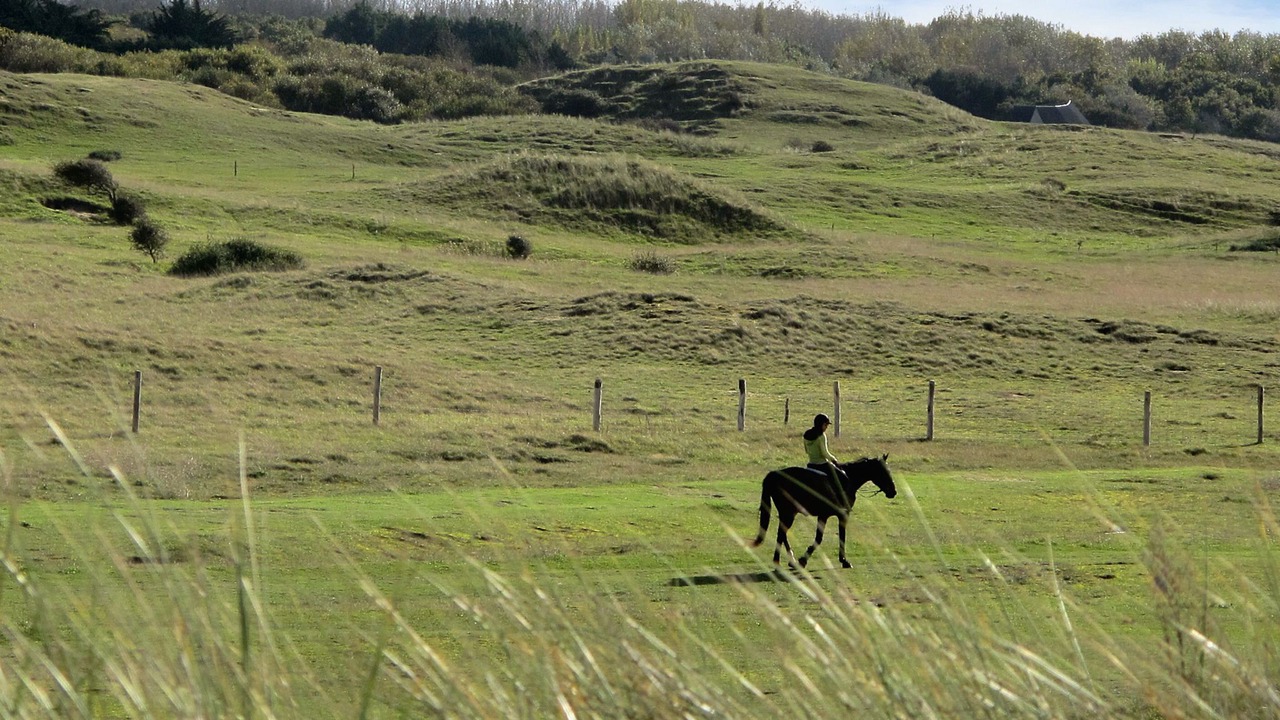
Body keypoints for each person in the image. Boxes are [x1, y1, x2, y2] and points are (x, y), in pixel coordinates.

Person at [803, 413, 847, 504]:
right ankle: (840, 502)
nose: (826, 427)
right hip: (822, 465)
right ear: (821, 424)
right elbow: (825, 453)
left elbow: (806, 450)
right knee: (843, 478)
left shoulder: (806, 435)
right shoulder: (821, 436)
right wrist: (834, 460)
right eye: (825, 424)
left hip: (811, 465)